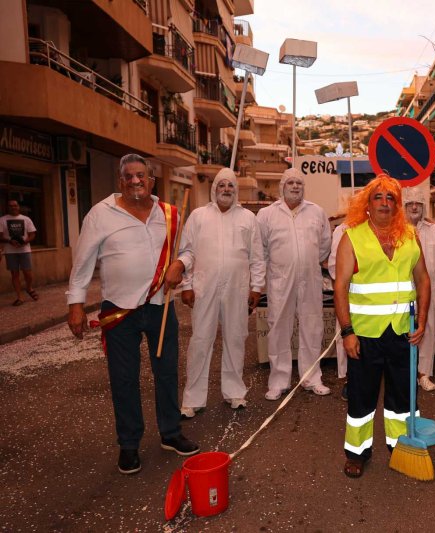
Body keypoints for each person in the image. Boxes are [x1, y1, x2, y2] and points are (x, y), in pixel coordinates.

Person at [66, 154, 199, 475]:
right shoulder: (100, 214)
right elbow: (83, 261)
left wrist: (180, 265)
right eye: (129, 176)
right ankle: (128, 444)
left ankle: (170, 432)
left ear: (151, 180)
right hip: (119, 309)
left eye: (141, 175)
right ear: (120, 180)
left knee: (167, 372)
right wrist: (75, 305)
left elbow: (188, 251)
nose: (135, 181)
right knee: (124, 379)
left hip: (160, 305)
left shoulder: (169, 214)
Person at [333, 175, 430, 478]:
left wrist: (423, 319)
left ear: (397, 204)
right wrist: (347, 332)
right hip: (364, 335)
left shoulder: (410, 236)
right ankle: (357, 453)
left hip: (403, 332)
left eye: (391, 197)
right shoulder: (352, 237)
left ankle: (400, 447)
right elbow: (340, 287)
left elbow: (423, 279)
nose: (385, 202)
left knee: (402, 397)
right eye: (378, 197)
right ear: (367, 204)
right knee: (361, 396)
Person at [165, 168, 265, 418]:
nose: (226, 190)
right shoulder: (198, 216)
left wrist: (256, 287)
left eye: (230, 185)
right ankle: (193, 399)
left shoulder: (248, 218)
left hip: (237, 288)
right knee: (200, 340)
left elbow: (257, 257)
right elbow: (187, 252)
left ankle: (234, 392)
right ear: (214, 189)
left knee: (235, 338)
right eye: (222, 185)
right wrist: (186, 286)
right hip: (204, 288)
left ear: (236, 190)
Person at [257, 168, 332, 400]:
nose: (295, 186)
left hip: (310, 278)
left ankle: (312, 378)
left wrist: (308, 261)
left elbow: (324, 244)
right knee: (279, 328)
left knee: (312, 326)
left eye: (299, 182)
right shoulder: (267, 215)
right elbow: (261, 248)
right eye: (290, 182)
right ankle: (278, 381)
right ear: (282, 186)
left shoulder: (316, 212)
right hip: (280, 280)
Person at [403, 187, 435, 391]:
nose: (414, 207)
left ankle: (424, 374)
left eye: (418, 204)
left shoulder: (434, 230)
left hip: (430, 289)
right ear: (404, 206)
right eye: (410, 204)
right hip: (403, 290)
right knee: (403, 330)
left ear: (424, 207)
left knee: (429, 329)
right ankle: (407, 373)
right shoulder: (397, 230)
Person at [1, 200, 38, 306]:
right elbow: (0, 236)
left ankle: (29, 288)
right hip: (10, 251)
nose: (13, 207)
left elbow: (32, 234)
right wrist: (9, 241)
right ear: (7, 207)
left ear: (18, 207)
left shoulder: (26, 219)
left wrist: (24, 242)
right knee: (14, 274)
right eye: (11, 206)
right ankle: (19, 297)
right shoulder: (2, 220)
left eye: (15, 205)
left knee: (27, 273)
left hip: (24, 250)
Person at [327, 222, 349, 400]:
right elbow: (334, 264)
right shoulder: (342, 229)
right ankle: (349, 379)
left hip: (377, 298)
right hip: (350, 292)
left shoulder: (383, 226)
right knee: (347, 335)